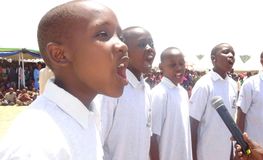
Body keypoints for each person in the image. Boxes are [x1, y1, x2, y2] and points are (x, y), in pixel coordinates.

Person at [0, 1, 129, 159]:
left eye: (121, 37)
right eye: (103, 34)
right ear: (59, 54)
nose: (123, 45)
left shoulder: (87, 116)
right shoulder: (36, 144)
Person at [94, 26, 156, 160]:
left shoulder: (146, 90)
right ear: (123, 51)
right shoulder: (110, 91)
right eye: (141, 44)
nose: (149, 48)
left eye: (151, 43)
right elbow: (96, 143)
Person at [189, 43, 238, 160]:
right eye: (226, 52)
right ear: (213, 59)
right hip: (205, 154)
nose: (231, 55)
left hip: (226, 154)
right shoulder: (204, 84)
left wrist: (231, 153)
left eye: (233, 53)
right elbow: (192, 124)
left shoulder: (233, 84)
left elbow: (231, 123)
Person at [150, 47, 192, 160]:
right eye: (173, 65)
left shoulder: (182, 92)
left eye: (181, 64)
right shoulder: (159, 94)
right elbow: (152, 137)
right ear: (161, 67)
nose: (179, 68)